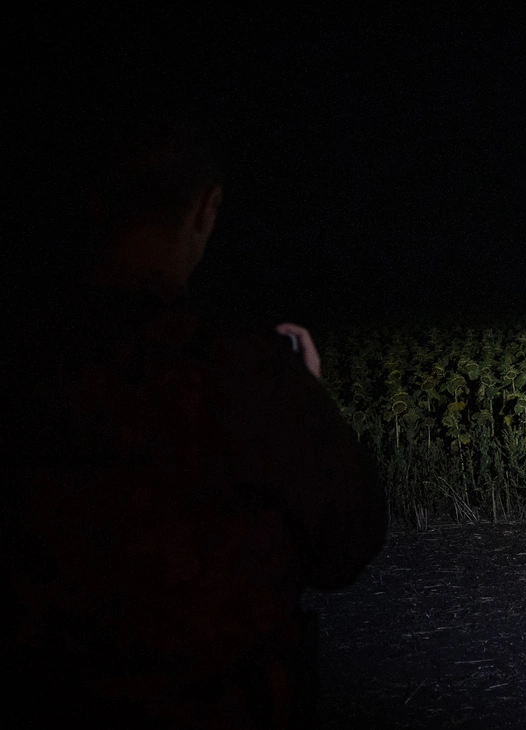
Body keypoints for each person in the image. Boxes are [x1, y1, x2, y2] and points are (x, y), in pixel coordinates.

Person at [3, 118, 387, 728]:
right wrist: (312, 400)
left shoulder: (27, 365)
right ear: (207, 210)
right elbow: (346, 542)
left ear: (98, 204)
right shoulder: (246, 371)